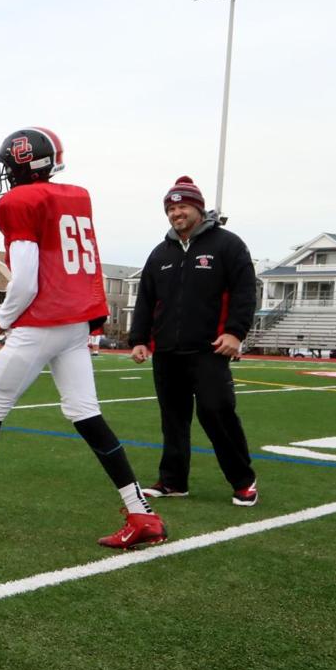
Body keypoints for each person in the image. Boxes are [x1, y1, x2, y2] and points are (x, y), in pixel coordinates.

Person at [0, 127, 165, 549]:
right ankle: (141, 512)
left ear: (21, 164)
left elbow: (26, 280)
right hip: (76, 320)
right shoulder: (76, 196)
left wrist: (1, 318)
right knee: (85, 412)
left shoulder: (19, 201)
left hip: (42, 321)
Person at [128, 176, 257, 506]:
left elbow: (245, 292)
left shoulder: (228, 245)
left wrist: (235, 332)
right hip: (167, 351)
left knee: (217, 413)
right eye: (171, 209)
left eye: (182, 207)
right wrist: (140, 339)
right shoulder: (160, 253)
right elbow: (146, 299)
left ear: (199, 209)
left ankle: (243, 481)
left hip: (209, 348)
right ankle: (173, 482)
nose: (176, 214)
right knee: (173, 419)